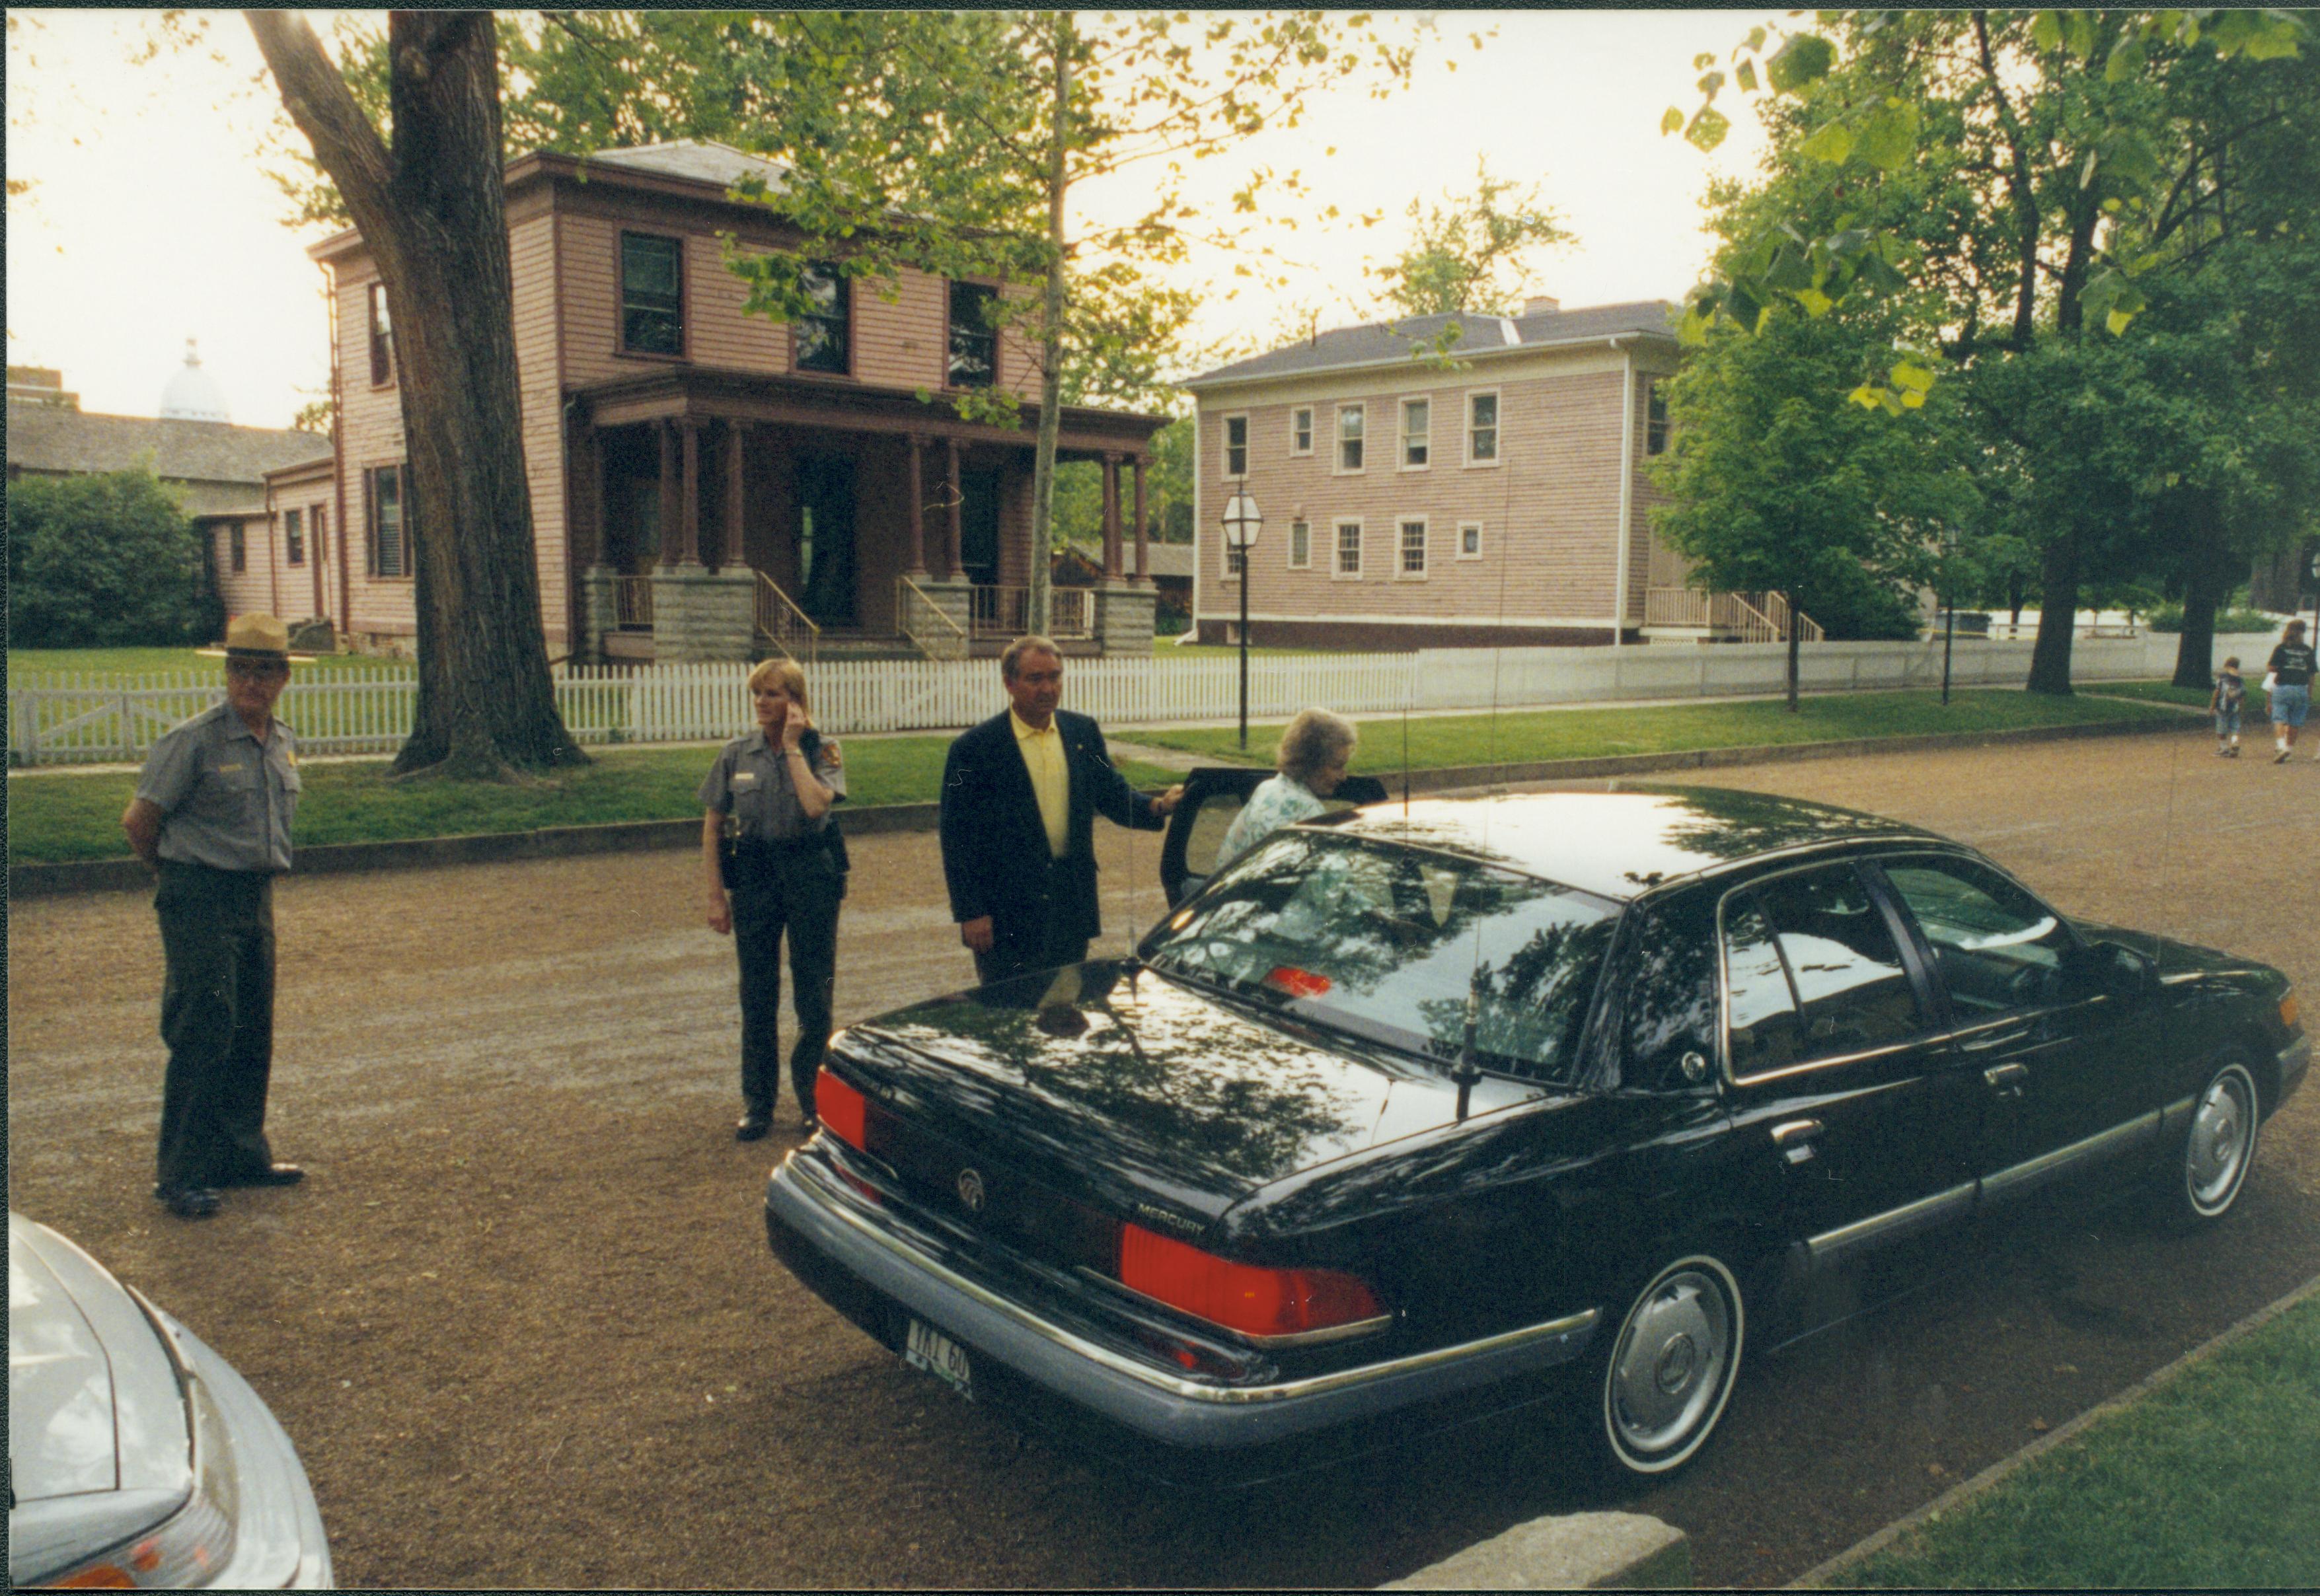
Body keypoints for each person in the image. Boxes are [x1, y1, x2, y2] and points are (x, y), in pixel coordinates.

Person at [120, 612, 308, 1219]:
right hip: (199, 894)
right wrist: (175, 876)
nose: (250, 682)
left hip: (254, 895)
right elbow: (139, 822)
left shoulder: (278, 741)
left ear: (283, 678)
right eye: (239, 669)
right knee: (205, 1027)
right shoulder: (193, 740)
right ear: (227, 674)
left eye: (263, 671)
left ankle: (239, 1157)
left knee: (252, 1027)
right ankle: (181, 1174)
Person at [940, 635, 1183, 987]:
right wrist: (971, 912)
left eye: (1055, 677)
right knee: (1012, 1013)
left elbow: (1110, 788)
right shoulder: (973, 750)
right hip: (1007, 911)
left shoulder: (1083, 733)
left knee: (1068, 1007)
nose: (1048, 688)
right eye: (1035, 679)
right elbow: (956, 836)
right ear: (1009, 683)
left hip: (1070, 902)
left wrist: (1157, 806)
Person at [700, 659, 846, 1140]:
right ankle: (757, 1102)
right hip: (757, 875)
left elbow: (813, 806)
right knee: (757, 993)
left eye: (774, 693)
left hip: (810, 873)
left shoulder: (822, 750)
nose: (762, 702)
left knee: (813, 993)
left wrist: (791, 749)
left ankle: (812, 1101)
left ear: (796, 700)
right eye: (758, 693)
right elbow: (713, 826)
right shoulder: (735, 754)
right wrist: (715, 895)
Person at [1217, 707, 1360, 866]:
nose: (1343, 776)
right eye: (1337, 766)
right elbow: (1325, 883)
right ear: (1311, 763)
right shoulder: (1307, 810)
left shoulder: (1267, 788)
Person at [2264, 618, 2315, 763]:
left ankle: (2281, 746)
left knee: (2279, 718)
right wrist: (2309, 692)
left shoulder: (2281, 648)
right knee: (2295, 722)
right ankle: (2289, 749)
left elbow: (2271, 668)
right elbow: (2312, 673)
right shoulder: (2307, 650)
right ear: (2303, 632)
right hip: (2301, 689)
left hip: (2282, 687)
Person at [2210, 657, 2245, 758]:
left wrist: (2212, 706)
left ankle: (2223, 748)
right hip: (2236, 706)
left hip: (2223, 706)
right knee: (2235, 727)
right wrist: (2242, 708)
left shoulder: (2222, 677)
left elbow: (2217, 692)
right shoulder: (2240, 679)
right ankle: (2235, 743)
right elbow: (2243, 695)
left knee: (2221, 727)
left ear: (2227, 665)